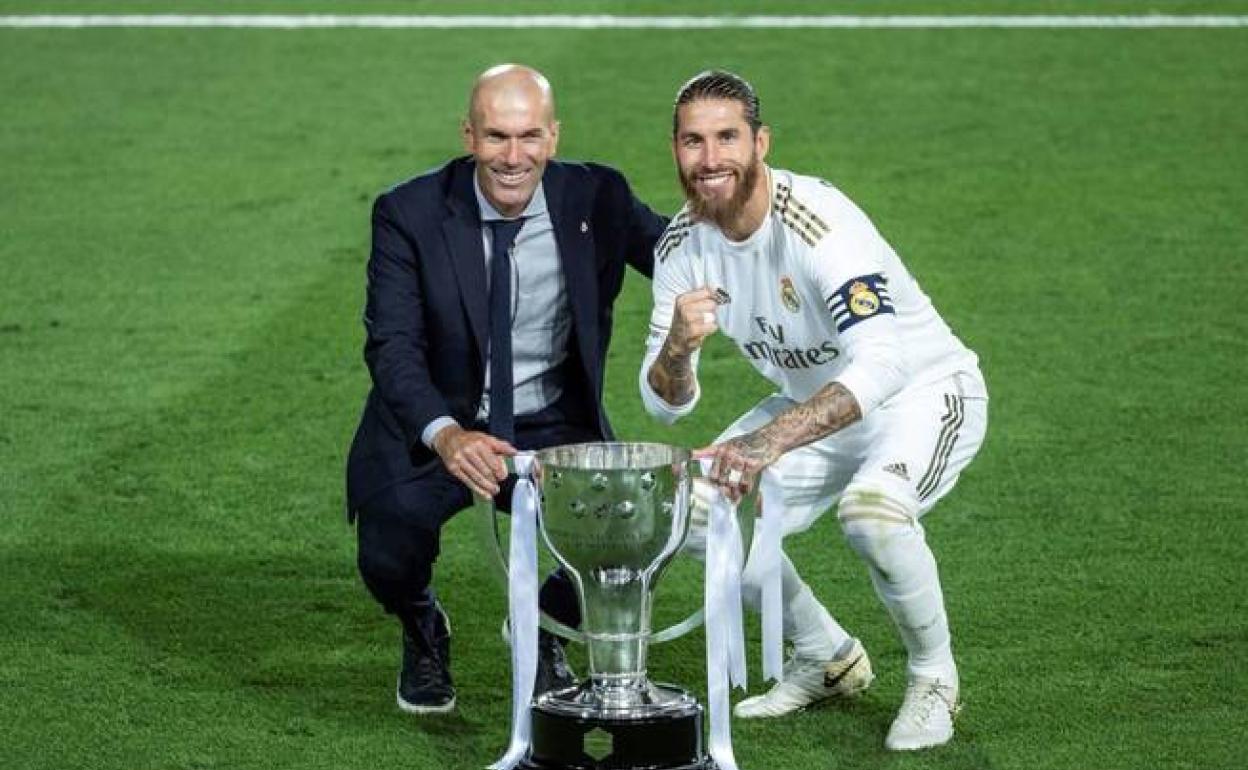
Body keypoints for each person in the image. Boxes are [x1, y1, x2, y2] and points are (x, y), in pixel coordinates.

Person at [640, 70, 988, 751]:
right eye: (692, 141)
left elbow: (882, 363)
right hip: (813, 409)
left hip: (923, 393)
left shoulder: (817, 221)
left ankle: (934, 676)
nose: (710, 159)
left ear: (761, 142)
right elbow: (665, 406)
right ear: (675, 149)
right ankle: (825, 656)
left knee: (873, 514)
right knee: (689, 509)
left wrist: (768, 442)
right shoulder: (681, 245)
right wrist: (678, 349)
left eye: (727, 138)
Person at [347, 64, 665, 716]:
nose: (513, 157)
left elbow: (679, 253)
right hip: (443, 415)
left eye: (528, 137)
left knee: (634, 525)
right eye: (496, 137)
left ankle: (544, 623)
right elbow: (393, 345)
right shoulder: (407, 213)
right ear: (468, 136)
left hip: (550, 417)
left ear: (553, 136)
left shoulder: (596, 197)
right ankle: (421, 626)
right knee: (387, 552)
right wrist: (447, 434)